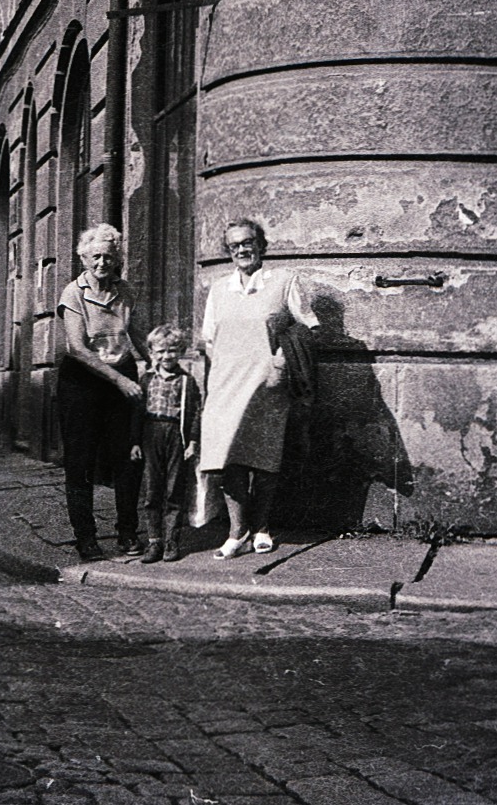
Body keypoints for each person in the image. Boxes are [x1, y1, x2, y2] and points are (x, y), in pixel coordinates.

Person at [200, 218, 319, 559]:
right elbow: (209, 340)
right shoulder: (219, 289)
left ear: (262, 245)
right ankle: (237, 531)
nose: (242, 249)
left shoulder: (283, 282)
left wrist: (281, 355)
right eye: (235, 245)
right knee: (226, 458)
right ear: (228, 251)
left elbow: (310, 329)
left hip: (268, 384)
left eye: (249, 242)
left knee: (265, 459)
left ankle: (262, 527)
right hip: (226, 385)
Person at [56, 223, 149, 563]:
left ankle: (127, 531)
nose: (102, 264)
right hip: (82, 381)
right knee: (80, 461)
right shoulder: (73, 292)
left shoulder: (124, 291)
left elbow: (135, 331)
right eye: (96, 257)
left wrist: (155, 363)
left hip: (120, 374)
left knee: (128, 458)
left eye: (109, 257)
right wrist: (121, 381)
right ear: (83, 257)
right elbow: (78, 348)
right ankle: (86, 538)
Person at [137, 323, 200, 564]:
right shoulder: (147, 379)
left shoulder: (187, 381)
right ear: (152, 353)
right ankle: (154, 541)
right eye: (160, 351)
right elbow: (137, 412)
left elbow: (195, 412)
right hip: (151, 433)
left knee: (174, 490)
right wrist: (135, 442)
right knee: (152, 490)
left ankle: (172, 540)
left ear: (180, 351)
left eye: (172, 351)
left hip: (176, 435)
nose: (166, 356)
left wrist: (192, 441)